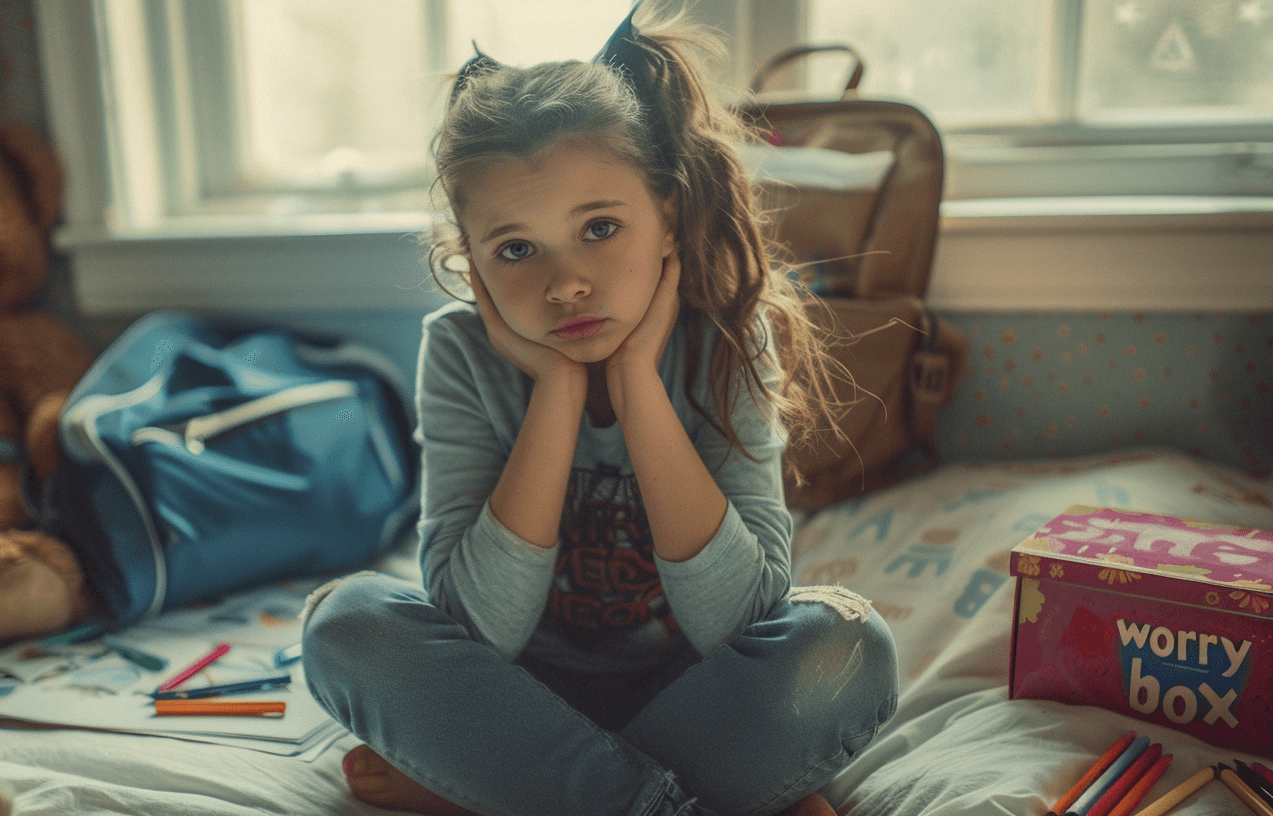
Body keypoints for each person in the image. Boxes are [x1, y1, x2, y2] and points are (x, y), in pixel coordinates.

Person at [301, 4, 898, 815]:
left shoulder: (726, 338)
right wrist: (557, 387)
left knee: (849, 644)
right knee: (347, 623)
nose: (565, 282)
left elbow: (742, 618)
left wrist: (638, 381)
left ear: (668, 224)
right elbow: (479, 629)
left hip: (695, 691)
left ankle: (497, 788)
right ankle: (668, 796)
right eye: (516, 249)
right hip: (514, 697)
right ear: (470, 264)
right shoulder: (460, 351)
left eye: (601, 228)